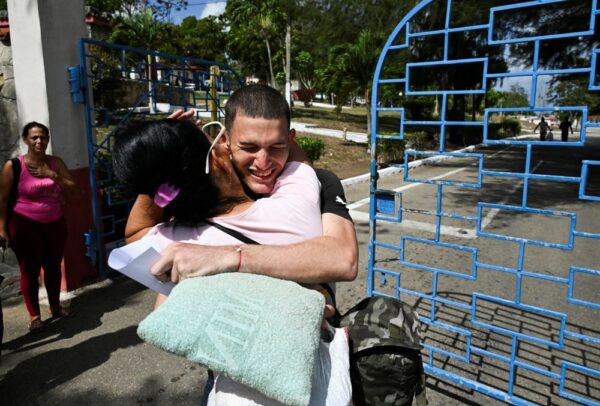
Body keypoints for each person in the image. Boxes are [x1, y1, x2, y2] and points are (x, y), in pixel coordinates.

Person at [113, 118, 352, 405]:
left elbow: (133, 235)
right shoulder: (294, 201)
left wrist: (161, 167)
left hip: (232, 386)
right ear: (217, 158)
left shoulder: (176, 246)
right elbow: (296, 157)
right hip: (319, 381)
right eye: (218, 141)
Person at [0, 122, 76, 333]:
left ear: (48, 139)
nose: (39, 141)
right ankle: (35, 316)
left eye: (43, 137)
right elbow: (2, 199)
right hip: (24, 225)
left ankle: (55, 307)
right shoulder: (13, 166)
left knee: (53, 267)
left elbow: (72, 188)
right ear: (25, 140)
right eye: (34, 137)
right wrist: (2, 229)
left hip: (55, 223)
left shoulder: (55, 163)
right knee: (30, 270)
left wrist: (50, 174)